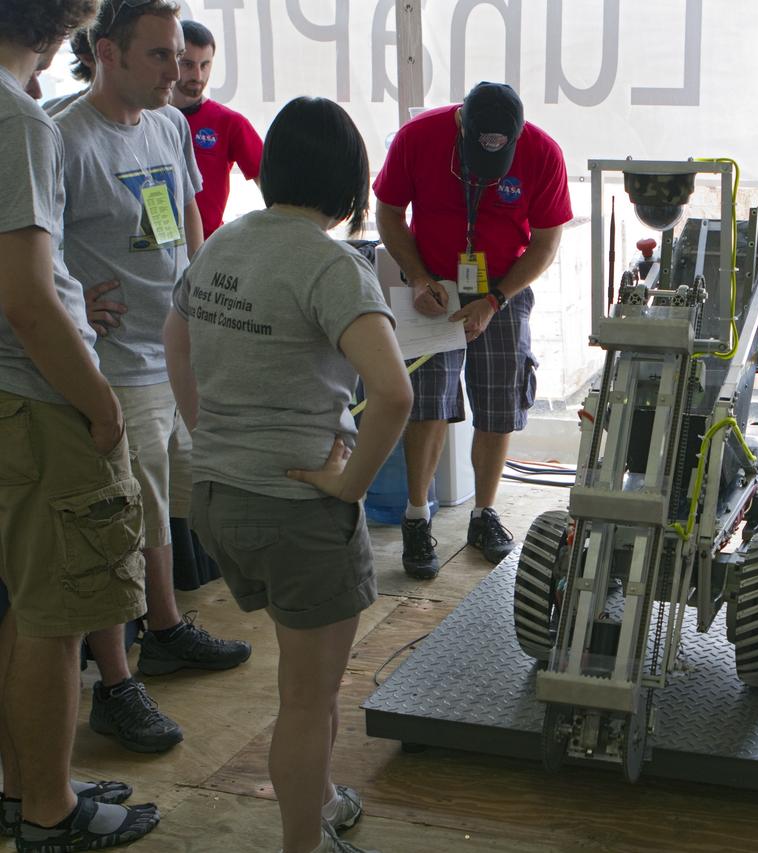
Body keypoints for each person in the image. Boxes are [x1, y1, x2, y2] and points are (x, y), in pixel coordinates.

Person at [167, 95, 411, 853]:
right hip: (298, 506)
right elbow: (396, 394)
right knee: (308, 698)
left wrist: (209, 430)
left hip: (217, 497)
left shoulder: (224, 242)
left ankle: (323, 797)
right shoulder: (331, 264)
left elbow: (176, 337)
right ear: (350, 183)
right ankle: (304, 843)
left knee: (304, 682)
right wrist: (349, 486)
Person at [55, 0, 249, 755]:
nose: (180, 72)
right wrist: (74, 294)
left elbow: (189, 217)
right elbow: (30, 244)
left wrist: (197, 300)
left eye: (180, 56)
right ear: (108, 53)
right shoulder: (63, 137)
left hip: (169, 348)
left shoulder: (167, 124)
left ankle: (164, 629)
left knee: (164, 500)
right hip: (110, 364)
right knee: (117, 519)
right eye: (161, 57)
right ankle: (116, 680)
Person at [0, 0, 160, 848]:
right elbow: (27, 298)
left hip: (16, 395)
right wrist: (98, 402)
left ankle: (28, 783)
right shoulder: (20, 118)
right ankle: (50, 813)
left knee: (28, 603)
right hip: (40, 395)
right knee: (60, 614)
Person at [374, 81, 573, 580]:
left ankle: (484, 515)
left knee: (499, 402)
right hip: (433, 288)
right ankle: (418, 516)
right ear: (461, 124)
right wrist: (416, 277)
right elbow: (388, 212)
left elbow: (547, 242)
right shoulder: (417, 137)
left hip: (503, 288)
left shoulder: (544, 154)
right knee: (428, 401)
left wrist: (496, 299)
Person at [171, 19, 262, 239]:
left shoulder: (229, 123)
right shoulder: (145, 117)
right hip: (156, 248)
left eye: (205, 65)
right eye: (188, 64)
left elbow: (274, 185)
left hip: (209, 246)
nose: (198, 76)